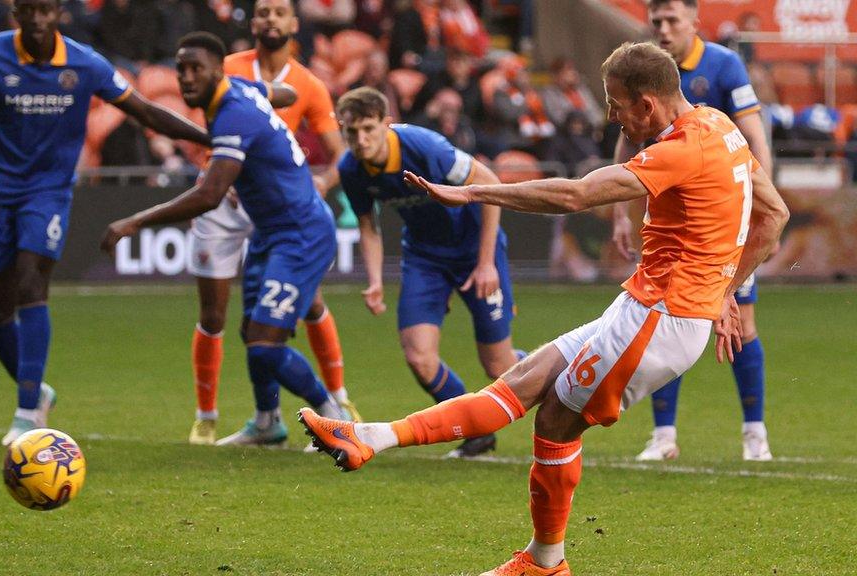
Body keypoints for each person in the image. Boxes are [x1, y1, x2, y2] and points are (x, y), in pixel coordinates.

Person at [300, 42, 789, 575]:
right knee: (521, 380)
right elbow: (774, 214)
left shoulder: (681, 149)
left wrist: (475, 195)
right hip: (650, 308)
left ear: (647, 105)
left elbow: (576, 196)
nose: (611, 115)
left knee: (555, 421)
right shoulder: (718, 126)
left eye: (616, 103)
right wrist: (724, 290)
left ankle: (545, 562)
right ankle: (369, 437)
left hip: (660, 319)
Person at [0, 0, 212, 446]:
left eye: (45, 10)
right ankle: (37, 388)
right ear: (15, 12)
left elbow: (145, 111)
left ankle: (28, 410)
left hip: (47, 193)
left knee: (31, 284)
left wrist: (207, 137)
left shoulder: (85, 63)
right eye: (27, 11)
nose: (36, 19)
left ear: (59, 14)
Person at [101, 31, 347, 448]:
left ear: (219, 70)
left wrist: (135, 222)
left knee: (266, 346)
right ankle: (268, 422)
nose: (186, 77)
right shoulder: (239, 90)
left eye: (196, 68)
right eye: (181, 70)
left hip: (302, 235)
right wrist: (273, 106)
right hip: (272, 233)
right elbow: (283, 92)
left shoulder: (233, 111)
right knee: (252, 332)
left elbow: (209, 194)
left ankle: (334, 416)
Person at [185, 0, 359, 446]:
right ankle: (229, 417)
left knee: (301, 310)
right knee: (227, 318)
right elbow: (214, 121)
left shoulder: (311, 85)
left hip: (289, 212)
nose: (269, 19)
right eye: (262, 11)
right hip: (233, 201)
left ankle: (336, 403)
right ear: (253, 22)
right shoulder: (221, 67)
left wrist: (322, 183)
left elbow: (340, 153)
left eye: (279, 12)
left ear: (293, 24)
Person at [611, 0, 777, 462]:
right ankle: (664, 436)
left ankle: (754, 433)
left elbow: (753, 137)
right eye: (656, 20)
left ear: (693, 20)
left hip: (721, 223)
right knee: (664, 317)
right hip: (668, 223)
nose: (662, 28)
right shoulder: (645, 67)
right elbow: (628, 142)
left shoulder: (723, 64)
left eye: (671, 20)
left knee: (741, 320)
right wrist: (620, 215)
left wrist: (752, 210)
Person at [336, 86, 519, 458]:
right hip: (424, 257)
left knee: (499, 366)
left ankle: (562, 370)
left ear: (386, 124)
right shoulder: (350, 169)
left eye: (369, 129)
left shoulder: (425, 148)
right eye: (352, 132)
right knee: (419, 357)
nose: (361, 139)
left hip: (473, 251)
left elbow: (489, 183)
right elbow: (368, 227)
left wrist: (486, 263)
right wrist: (374, 281)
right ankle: (476, 430)